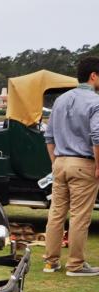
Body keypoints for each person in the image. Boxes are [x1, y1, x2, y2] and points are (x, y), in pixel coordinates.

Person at [42, 56, 99, 277]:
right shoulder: (95, 102)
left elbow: (48, 136)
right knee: (79, 216)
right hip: (83, 163)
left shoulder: (61, 100)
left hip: (60, 162)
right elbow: (96, 135)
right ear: (93, 76)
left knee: (56, 214)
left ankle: (51, 262)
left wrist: (55, 162)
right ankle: (75, 265)